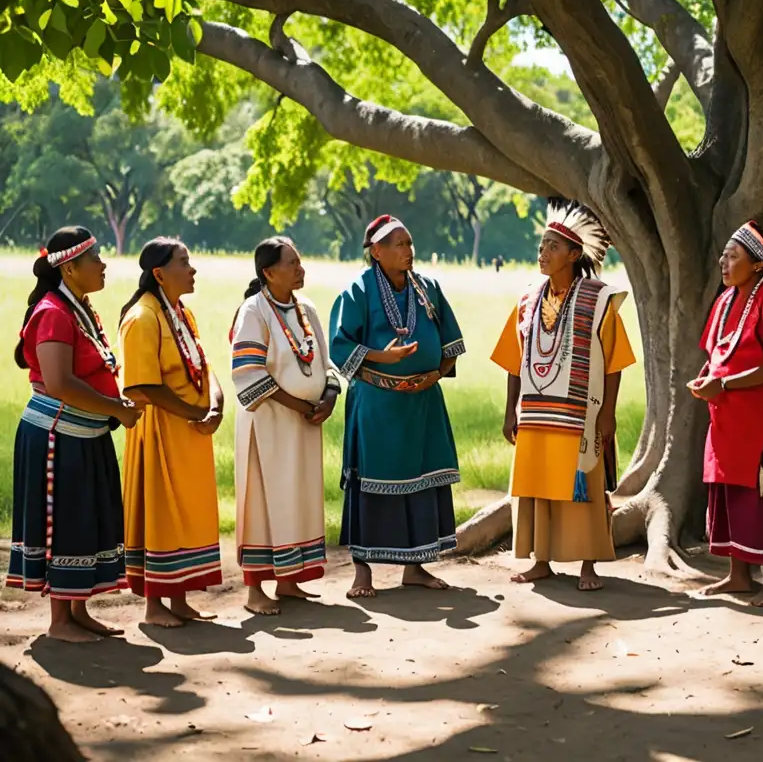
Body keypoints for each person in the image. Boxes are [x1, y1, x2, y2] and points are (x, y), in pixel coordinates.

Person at [490, 198, 635, 592]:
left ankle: (589, 564)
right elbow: (514, 360)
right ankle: (541, 560)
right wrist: (510, 412)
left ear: (574, 254)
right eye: (542, 245)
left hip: (581, 416)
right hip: (536, 413)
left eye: (553, 246)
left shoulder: (598, 299)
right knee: (538, 485)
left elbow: (614, 362)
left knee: (584, 488)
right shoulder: (528, 299)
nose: (543, 252)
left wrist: (607, 414)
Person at [6, 227, 142, 643]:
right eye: (95, 258)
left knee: (86, 521)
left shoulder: (80, 309)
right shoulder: (53, 312)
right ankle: (59, 621)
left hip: (86, 434)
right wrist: (117, 408)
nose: (103, 265)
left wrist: (111, 409)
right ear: (70, 267)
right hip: (56, 438)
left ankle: (78, 609)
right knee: (64, 522)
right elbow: (60, 382)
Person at [329, 214, 465, 598]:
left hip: (423, 402)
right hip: (376, 404)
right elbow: (340, 347)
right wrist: (382, 359)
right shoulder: (357, 290)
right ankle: (362, 573)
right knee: (369, 482)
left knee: (421, 480)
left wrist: (434, 375)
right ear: (377, 251)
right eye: (400, 244)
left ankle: (415, 568)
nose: (409, 251)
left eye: (409, 243)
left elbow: (451, 343)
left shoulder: (428, 288)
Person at [688, 221, 763, 608]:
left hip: (758, 418)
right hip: (725, 418)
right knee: (728, 490)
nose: (723, 262)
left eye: (733, 256)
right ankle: (738, 576)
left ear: (758, 264)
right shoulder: (725, 301)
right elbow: (716, 355)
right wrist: (708, 378)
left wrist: (724, 385)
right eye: (723, 254)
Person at [231, 237, 341, 615]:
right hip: (268, 425)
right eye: (292, 263)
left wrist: (328, 397)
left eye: (300, 261)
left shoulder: (306, 308)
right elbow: (248, 373)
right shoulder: (254, 311)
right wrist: (298, 404)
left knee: (297, 497)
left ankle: (289, 581)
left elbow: (327, 363)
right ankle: (255, 591)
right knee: (263, 500)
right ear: (268, 272)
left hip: (305, 424)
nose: (300, 268)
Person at [119, 238, 224, 628]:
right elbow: (142, 387)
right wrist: (196, 411)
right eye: (184, 262)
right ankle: (154, 606)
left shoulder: (183, 313)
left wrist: (215, 404)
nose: (192, 269)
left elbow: (203, 362)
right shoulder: (142, 318)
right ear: (159, 273)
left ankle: (177, 598)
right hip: (160, 433)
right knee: (160, 514)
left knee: (185, 513)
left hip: (190, 434)